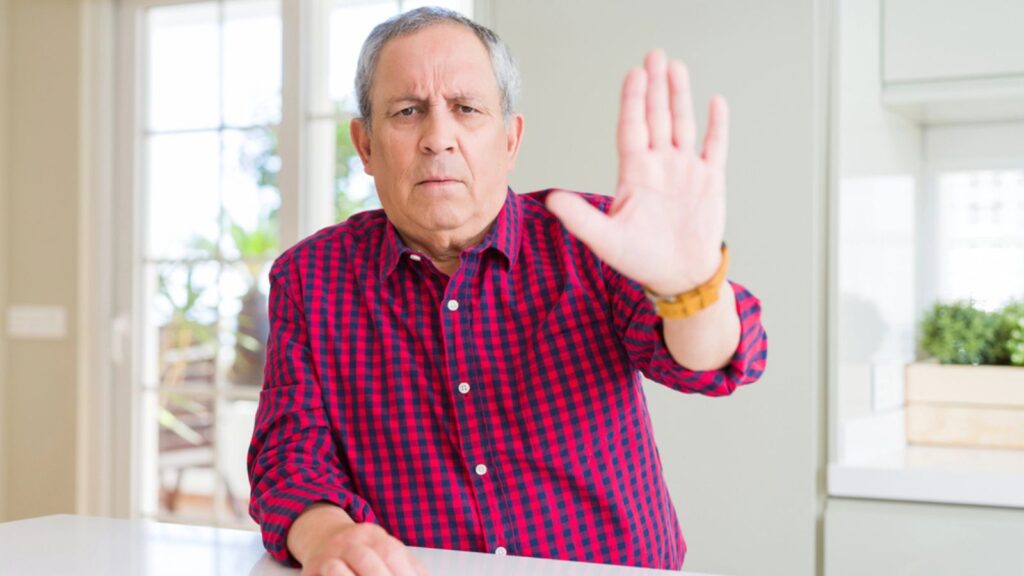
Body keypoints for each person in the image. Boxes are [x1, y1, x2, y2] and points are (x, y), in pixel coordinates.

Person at [247, 7, 767, 576]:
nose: (437, 138)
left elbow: (707, 363)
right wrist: (326, 533)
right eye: (407, 111)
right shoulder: (309, 277)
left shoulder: (595, 238)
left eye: (466, 109)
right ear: (365, 146)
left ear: (510, 139)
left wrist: (689, 287)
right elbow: (288, 458)